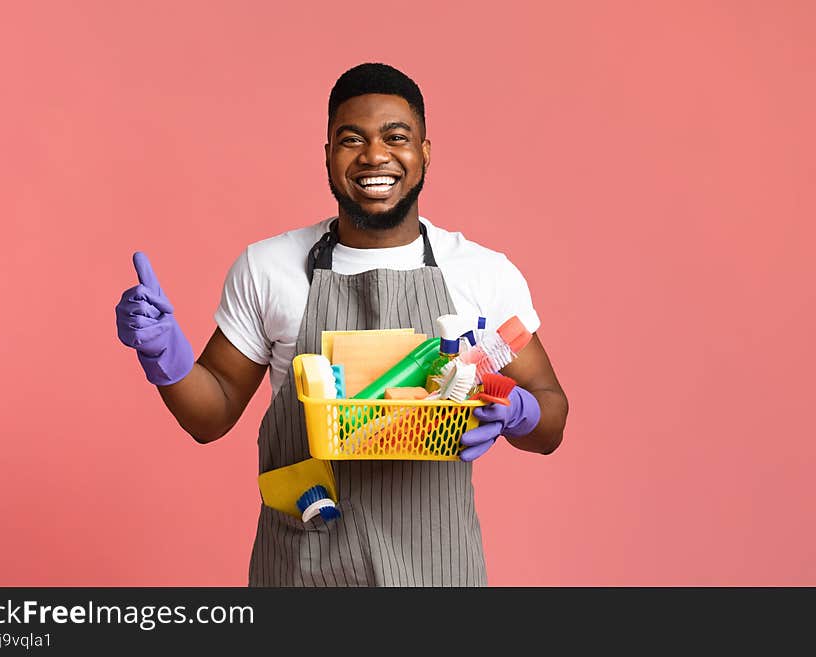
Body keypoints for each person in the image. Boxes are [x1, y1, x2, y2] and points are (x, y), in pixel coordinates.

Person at [115, 63, 569, 586]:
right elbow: (210, 414)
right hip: (302, 572)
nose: (375, 155)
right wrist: (163, 357)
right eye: (351, 139)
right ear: (328, 155)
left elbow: (551, 418)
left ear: (424, 151)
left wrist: (521, 412)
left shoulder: (482, 273)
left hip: (438, 570)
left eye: (396, 137)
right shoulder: (269, 267)